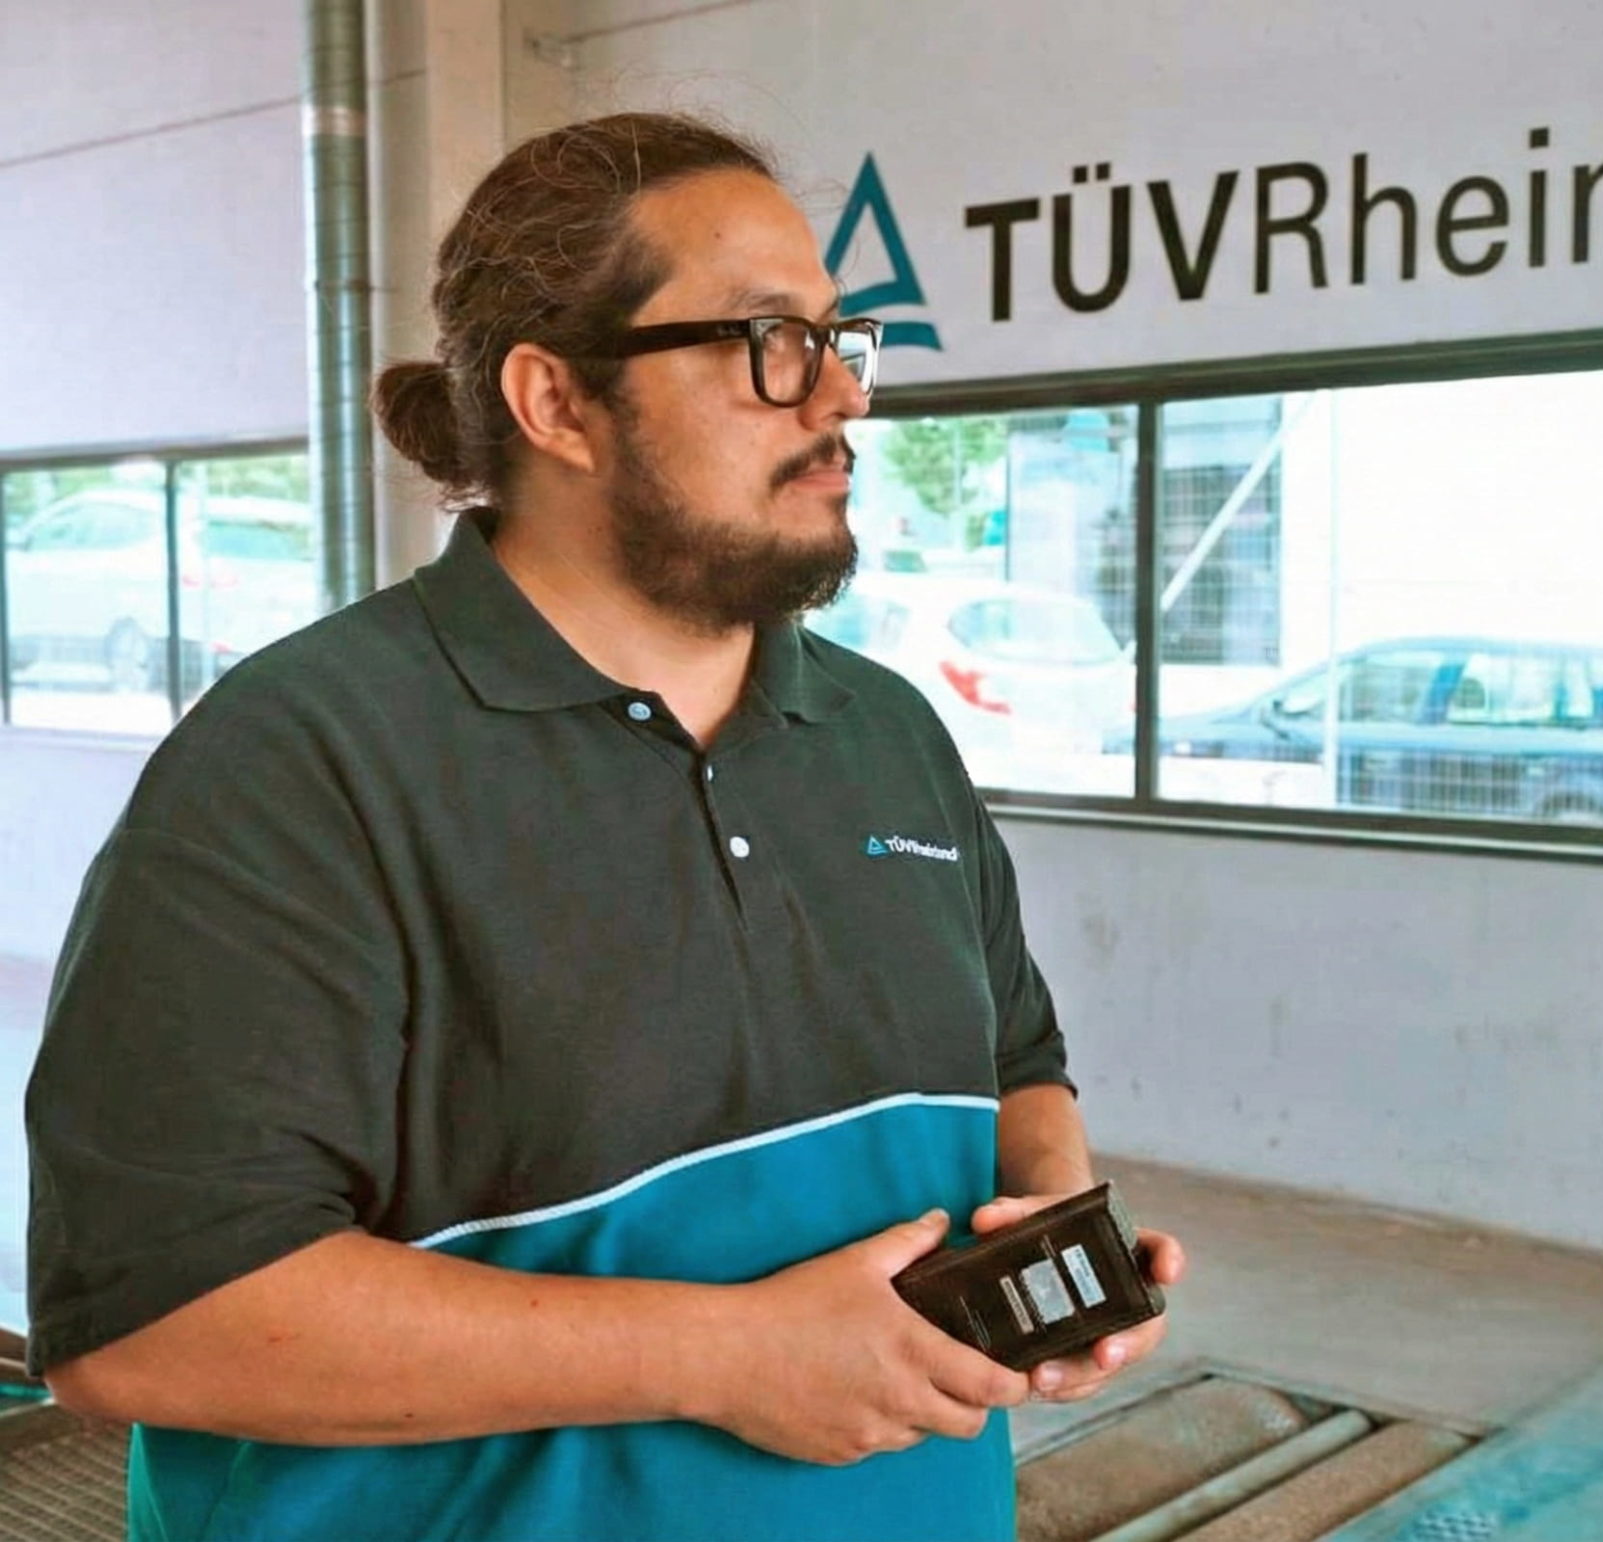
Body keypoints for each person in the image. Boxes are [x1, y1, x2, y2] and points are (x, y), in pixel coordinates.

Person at [22, 111, 1183, 1542]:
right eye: (769, 340)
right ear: (558, 403)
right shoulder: (299, 765)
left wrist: (1052, 1217)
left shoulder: (887, 734)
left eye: (839, 339)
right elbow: (152, 1318)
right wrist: (728, 1356)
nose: (839, 395)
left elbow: (1014, 1061)